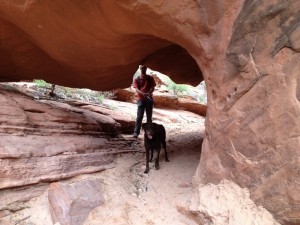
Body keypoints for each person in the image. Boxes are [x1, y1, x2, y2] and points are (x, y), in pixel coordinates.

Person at [132, 65, 156, 138]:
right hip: (141, 100)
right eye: (142, 68)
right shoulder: (137, 79)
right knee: (139, 117)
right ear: (140, 68)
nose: (144, 69)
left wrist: (149, 92)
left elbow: (152, 87)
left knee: (149, 118)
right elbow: (136, 89)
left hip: (149, 99)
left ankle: (149, 133)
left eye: (145, 68)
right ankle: (136, 133)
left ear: (146, 69)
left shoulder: (150, 78)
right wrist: (142, 93)